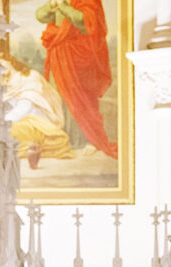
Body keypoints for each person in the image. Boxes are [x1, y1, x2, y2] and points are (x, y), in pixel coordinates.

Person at [37, 0, 118, 157]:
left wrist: (62, 7)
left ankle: (86, 140)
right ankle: (64, 139)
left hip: (79, 56)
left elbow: (86, 22)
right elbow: (40, 16)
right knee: (58, 96)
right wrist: (51, 6)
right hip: (58, 54)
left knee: (80, 99)